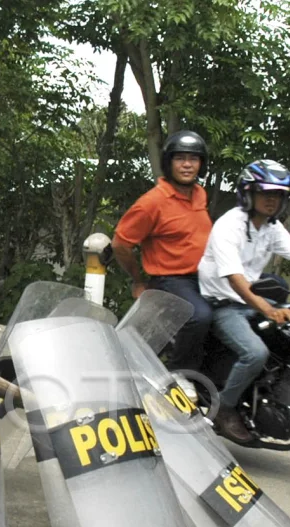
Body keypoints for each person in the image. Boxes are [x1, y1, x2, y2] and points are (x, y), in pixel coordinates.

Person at [198, 159, 290, 442]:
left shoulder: (272, 227)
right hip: (225, 304)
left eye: (278, 194)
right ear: (248, 193)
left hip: (253, 300)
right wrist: (268, 309)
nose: (271, 199)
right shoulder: (229, 225)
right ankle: (224, 408)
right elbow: (235, 279)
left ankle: (277, 397)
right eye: (266, 192)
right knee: (255, 353)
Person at [112, 130, 214, 375]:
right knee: (198, 316)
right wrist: (138, 280)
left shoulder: (199, 194)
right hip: (171, 280)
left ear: (202, 164)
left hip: (204, 277)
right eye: (180, 158)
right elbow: (120, 243)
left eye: (193, 159)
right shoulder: (152, 203)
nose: (187, 165)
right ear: (169, 163)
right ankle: (180, 376)